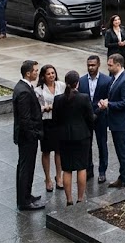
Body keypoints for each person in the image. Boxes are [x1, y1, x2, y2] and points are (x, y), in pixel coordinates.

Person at [53, 70, 95, 205]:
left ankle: (69, 199)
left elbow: (55, 120)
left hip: (64, 137)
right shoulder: (84, 98)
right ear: (77, 83)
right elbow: (91, 118)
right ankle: (80, 198)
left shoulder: (58, 99)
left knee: (67, 169)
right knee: (82, 167)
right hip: (81, 136)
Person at [12, 59, 45, 211]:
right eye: (35, 71)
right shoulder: (24, 91)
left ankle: (26, 195)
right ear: (28, 73)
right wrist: (35, 133)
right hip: (27, 137)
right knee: (26, 168)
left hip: (27, 136)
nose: (37, 73)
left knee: (27, 167)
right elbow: (25, 119)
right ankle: (24, 201)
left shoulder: (24, 87)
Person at [100, 54, 125, 188]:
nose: (108, 67)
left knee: (124, 152)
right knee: (120, 152)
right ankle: (123, 176)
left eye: (110, 65)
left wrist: (109, 104)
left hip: (122, 124)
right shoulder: (115, 78)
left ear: (118, 65)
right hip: (116, 122)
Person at [78, 55, 112, 184]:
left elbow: (109, 98)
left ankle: (102, 171)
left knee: (102, 144)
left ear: (98, 65)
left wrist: (100, 109)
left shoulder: (106, 80)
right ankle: (89, 169)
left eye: (93, 65)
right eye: (89, 65)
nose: (91, 68)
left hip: (101, 117)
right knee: (87, 145)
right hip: (86, 118)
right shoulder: (81, 81)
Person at [35, 64, 65, 193]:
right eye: (48, 74)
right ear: (43, 76)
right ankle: (47, 178)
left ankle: (59, 176)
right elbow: (36, 108)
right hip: (46, 122)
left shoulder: (61, 85)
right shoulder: (38, 90)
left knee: (59, 150)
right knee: (46, 151)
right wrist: (46, 108)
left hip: (59, 121)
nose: (51, 75)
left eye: (53, 73)